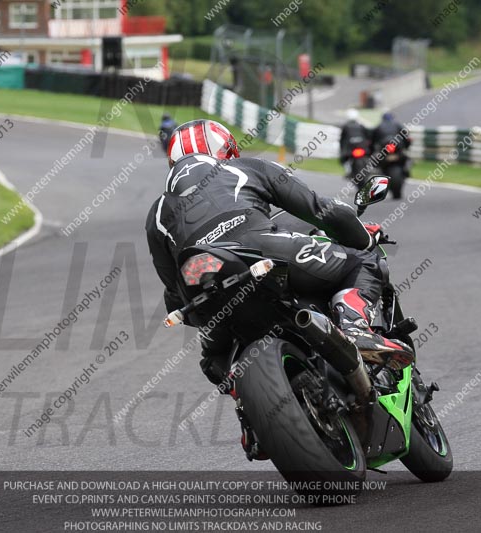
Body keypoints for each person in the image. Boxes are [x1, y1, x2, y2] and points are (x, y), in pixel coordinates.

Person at [144, 119, 414, 457]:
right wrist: (361, 237)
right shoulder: (245, 169)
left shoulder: (156, 214)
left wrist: (197, 312)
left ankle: (250, 416)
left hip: (203, 293)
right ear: (226, 151)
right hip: (262, 250)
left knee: (215, 361)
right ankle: (354, 326)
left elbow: (172, 291)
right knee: (362, 260)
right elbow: (321, 210)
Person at [339, 108, 370, 184]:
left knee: (344, 159)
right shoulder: (361, 126)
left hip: (353, 150)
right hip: (360, 149)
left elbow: (342, 140)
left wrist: (342, 149)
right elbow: (367, 136)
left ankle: (348, 171)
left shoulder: (345, 127)